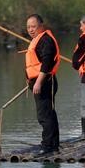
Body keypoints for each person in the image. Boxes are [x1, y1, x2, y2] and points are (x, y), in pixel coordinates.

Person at [25, 14, 61, 153]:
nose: (31, 29)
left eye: (33, 26)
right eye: (28, 27)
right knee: (49, 114)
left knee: (44, 116)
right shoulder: (36, 40)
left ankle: (47, 146)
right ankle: (53, 144)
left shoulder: (46, 40)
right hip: (39, 82)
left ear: (41, 26)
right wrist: (30, 80)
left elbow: (46, 64)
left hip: (45, 83)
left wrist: (38, 83)